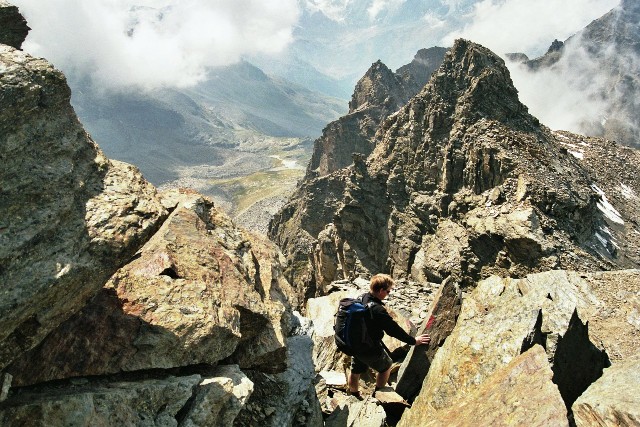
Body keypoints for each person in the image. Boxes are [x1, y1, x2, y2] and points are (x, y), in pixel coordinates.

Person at [348, 273, 431, 398]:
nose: (388, 294)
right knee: (386, 367)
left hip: (354, 343)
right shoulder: (377, 309)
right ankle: (378, 395)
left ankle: (353, 394)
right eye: (388, 291)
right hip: (368, 346)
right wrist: (413, 341)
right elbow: (393, 330)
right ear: (381, 290)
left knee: (355, 369)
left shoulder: (361, 298)